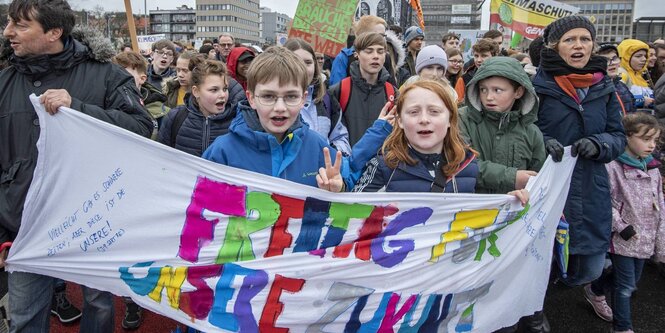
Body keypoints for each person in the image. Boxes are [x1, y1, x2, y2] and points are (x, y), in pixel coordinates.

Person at [0, 1, 153, 333]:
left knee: (99, 305)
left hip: (92, 219)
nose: (8, 32)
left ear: (54, 32)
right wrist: (2, 235)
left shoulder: (105, 75)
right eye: (10, 22)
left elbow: (141, 129)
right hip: (24, 228)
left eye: (21, 25)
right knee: (24, 315)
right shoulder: (4, 82)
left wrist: (79, 109)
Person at [202, 46, 393, 191]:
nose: (280, 108)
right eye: (268, 96)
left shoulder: (317, 146)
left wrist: (340, 187)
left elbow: (348, 173)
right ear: (251, 98)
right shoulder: (223, 152)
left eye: (291, 97)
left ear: (303, 98)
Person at [533, 15, 626, 286]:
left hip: (590, 185)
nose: (579, 45)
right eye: (570, 39)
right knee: (544, 264)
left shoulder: (604, 87)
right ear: (554, 47)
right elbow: (526, 129)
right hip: (551, 184)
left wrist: (600, 144)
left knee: (590, 270)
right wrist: (543, 142)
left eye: (585, 39)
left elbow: (618, 135)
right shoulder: (536, 86)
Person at [458, 56, 548, 333]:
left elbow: (539, 174)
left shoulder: (531, 132)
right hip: (474, 217)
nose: (489, 97)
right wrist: (513, 176)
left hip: (514, 221)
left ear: (518, 91)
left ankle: (519, 315)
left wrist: (528, 186)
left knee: (509, 279)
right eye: (484, 90)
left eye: (498, 90)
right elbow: (465, 164)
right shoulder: (464, 120)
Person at [352, 79, 529, 205]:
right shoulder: (382, 167)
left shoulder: (468, 165)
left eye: (434, 112)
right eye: (413, 112)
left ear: (451, 119)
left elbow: (476, 221)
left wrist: (508, 204)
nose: (424, 119)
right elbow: (350, 219)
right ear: (400, 120)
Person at [583, 112, 665, 333]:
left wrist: (660, 237)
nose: (651, 145)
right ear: (627, 137)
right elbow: (603, 200)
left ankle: (595, 289)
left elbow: (660, 203)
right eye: (645, 139)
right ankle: (622, 327)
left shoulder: (653, 168)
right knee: (626, 286)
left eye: (654, 140)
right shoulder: (612, 167)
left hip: (645, 237)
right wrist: (620, 226)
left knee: (629, 279)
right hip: (624, 237)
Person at [158, 56, 247, 156]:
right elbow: (162, 158)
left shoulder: (239, 121)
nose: (222, 95)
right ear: (196, 91)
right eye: (214, 90)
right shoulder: (175, 118)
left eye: (225, 89)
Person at [328, 32, 399, 146]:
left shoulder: (393, 93)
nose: (375, 56)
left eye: (380, 51)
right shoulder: (339, 90)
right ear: (357, 54)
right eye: (369, 51)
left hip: (382, 161)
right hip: (348, 159)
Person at [285, 38, 352, 155]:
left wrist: (331, 156)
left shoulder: (327, 99)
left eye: (308, 62)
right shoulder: (273, 103)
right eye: (296, 61)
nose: (303, 68)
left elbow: (339, 137)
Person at [113, 50, 169, 139]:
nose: (118, 78)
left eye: (124, 74)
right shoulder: (107, 105)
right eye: (115, 74)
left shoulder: (163, 114)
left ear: (142, 79)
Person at [329, 15, 396, 86]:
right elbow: (336, 90)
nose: (383, 40)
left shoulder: (386, 57)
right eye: (379, 35)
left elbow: (392, 90)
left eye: (384, 36)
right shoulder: (343, 58)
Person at [596, 43, 635, 114]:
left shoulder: (622, 86)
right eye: (605, 60)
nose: (612, 63)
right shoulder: (594, 89)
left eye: (614, 58)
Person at [618, 39, 655, 111]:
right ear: (626, 58)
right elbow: (618, 97)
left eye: (645, 56)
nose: (644, 59)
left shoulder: (641, 76)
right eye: (638, 56)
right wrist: (641, 101)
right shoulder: (622, 74)